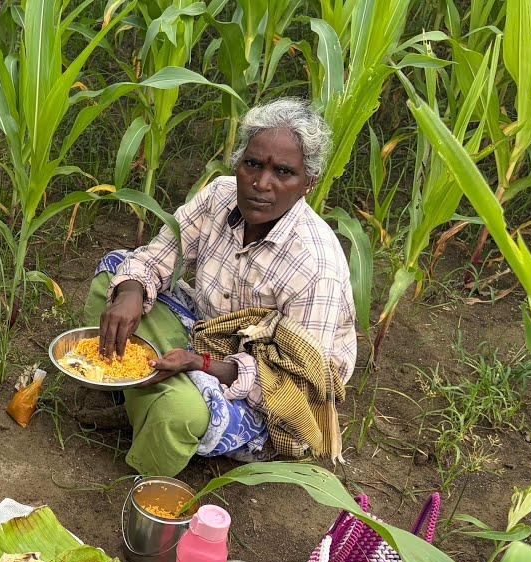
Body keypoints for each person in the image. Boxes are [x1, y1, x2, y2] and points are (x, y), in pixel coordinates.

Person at [85, 97, 357, 477]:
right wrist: (131, 294)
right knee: (113, 277)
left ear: (308, 183)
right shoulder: (220, 196)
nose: (262, 184)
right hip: (204, 328)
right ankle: (144, 393)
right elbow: (158, 256)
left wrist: (202, 365)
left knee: (181, 412)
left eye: (283, 172)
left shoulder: (315, 267)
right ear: (239, 162)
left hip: (263, 386)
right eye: (252, 164)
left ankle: (146, 451)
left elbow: (298, 386)